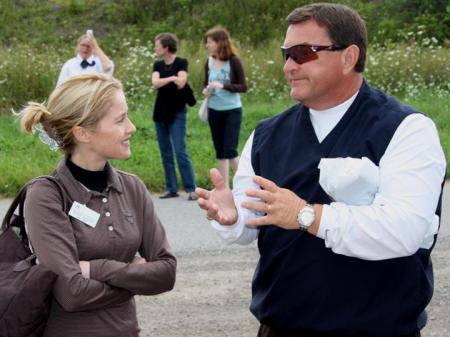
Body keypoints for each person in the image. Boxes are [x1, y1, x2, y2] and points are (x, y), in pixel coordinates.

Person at [196, 3, 446, 337]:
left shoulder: (406, 129)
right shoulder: (266, 136)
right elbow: (250, 225)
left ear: (348, 57)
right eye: (286, 54)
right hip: (281, 327)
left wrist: (307, 216)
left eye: (303, 53)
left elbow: (405, 230)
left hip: (378, 329)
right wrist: (232, 219)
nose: (288, 66)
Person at [19, 73, 176, 337]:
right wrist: (136, 277)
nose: (132, 128)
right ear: (82, 133)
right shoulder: (46, 196)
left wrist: (95, 268)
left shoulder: (132, 187)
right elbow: (71, 293)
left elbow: (166, 273)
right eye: (120, 120)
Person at [152, 33, 198, 200]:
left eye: (157, 45)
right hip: (160, 113)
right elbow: (155, 83)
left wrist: (172, 79)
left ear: (166, 47)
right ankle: (171, 188)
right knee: (166, 153)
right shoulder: (157, 64)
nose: (155, 48)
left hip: (177, 112)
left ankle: (191, 188)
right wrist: (172, 77)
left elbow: (182, 82)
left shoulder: (181, 62)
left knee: (180, 150)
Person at [203, 26, 247, 187]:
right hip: (214, 110)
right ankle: (224, 189)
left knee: (230, 150)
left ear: (219, 42)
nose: (207, 45)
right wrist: (206, 90)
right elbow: (205, 84)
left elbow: (243, 86)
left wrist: (223, 85)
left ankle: (247, 183)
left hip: (232, 111)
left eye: (210, 42)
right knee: (220, 152)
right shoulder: (209, 61)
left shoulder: (234, 61)